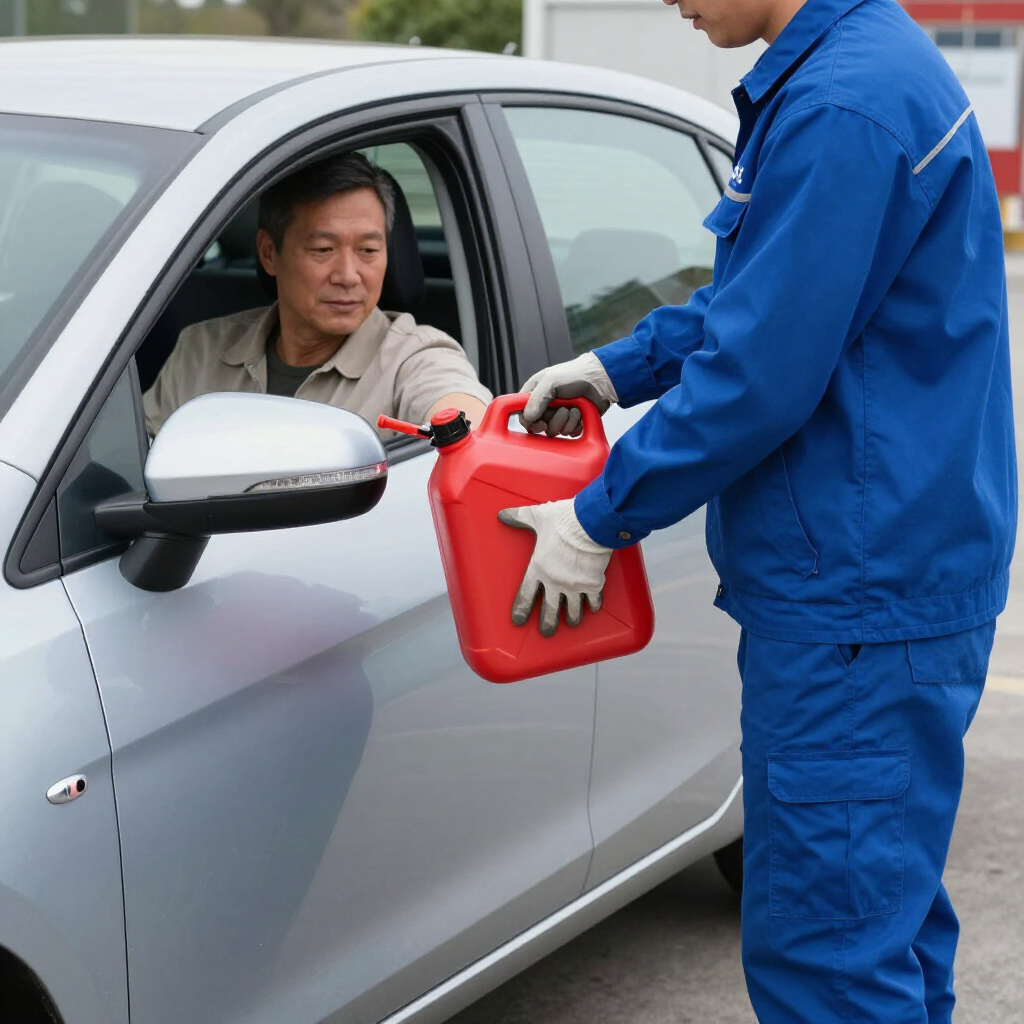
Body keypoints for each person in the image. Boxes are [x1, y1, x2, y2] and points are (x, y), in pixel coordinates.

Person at [499, 0, 1018, 1020]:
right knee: (883, 927)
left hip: (856, 602)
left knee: (827, 963)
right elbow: (765, 294)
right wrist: (619, 366)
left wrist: (600, 513)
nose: (671, 2)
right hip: (895, 577)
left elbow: (761, 371)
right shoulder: (864, 68)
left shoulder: (840, 102)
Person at [144, 153, 490, 436]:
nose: (348, 276)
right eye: (323, 249)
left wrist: (463, 434)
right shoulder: (200, 352)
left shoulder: (414, 357)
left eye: (368, 250)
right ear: (268, 253)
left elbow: (464, 419)